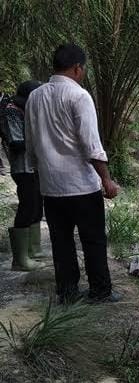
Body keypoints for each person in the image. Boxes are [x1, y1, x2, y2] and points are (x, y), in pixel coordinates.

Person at [25, 43, 121, 303]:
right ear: (78, 68)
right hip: (81, 186)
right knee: (93, 241)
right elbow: (92, 145)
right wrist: (107, 180)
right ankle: (100, 291)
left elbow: (31, 142)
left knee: (61, 243)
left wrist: (38, 171)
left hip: (51, 186)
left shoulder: (35, 96)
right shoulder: (79, 96)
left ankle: (67, 293)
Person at [0, 80, 46, 271]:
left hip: (33, 167)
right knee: (27, 207)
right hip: (22, 167)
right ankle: (20, 260)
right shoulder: (11, 111)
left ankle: (32, 250)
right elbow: (16, 143)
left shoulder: (23, 110)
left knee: (37, 207)